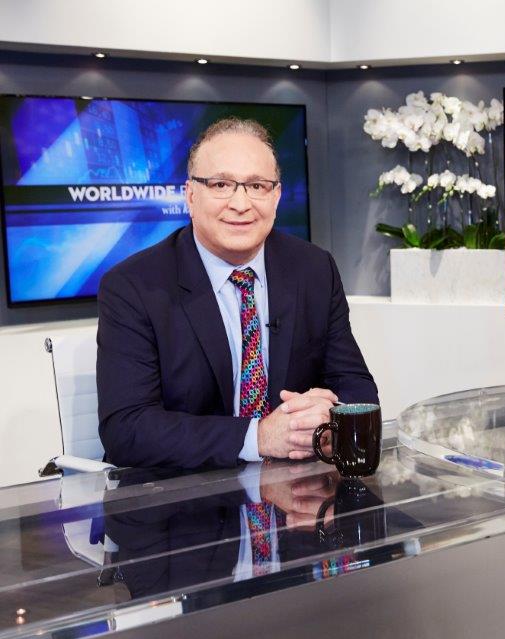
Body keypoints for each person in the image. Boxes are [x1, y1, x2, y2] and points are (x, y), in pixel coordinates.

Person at [97, 117, 378, 468]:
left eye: (257, 186)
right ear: (190, 195)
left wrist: (328, 418)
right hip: (183, 493)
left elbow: (355, 385)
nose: (241, 203)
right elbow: (126, 429)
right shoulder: (133, 286)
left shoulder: (314, 269)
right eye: (221, 184)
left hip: (295, 487)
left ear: (276, 196)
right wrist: (258, 437)